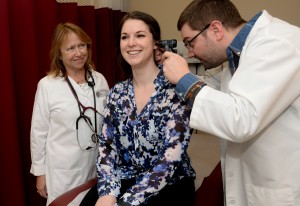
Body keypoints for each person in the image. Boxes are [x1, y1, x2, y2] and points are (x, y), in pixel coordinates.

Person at [161, 0, 300, 205]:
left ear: (215, 29)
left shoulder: (277, 43)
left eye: (190, 42)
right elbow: (213, 94)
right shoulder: (237, 59)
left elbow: (241, 119)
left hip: (281, 189)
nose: (190, 52)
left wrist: (184, 78)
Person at [81, 11, 196, 206]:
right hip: (127, 176)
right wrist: (107, 192)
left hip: (170, 182)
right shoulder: (117, 92)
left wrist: (127, 202)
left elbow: (169, 159)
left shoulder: (176, 90)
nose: (131, 43)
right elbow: (107, 147)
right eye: (125, 37)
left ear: (155, 43)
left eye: (140, 35)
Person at [30, 22, 109, 205]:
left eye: (82, 45)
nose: (78, 53)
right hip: (63, 172)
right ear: (59, 53)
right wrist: (40, 173)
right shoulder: (47, 85)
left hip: (97, 167)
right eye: (70, 48)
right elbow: (38, 132)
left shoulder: (99, 80)